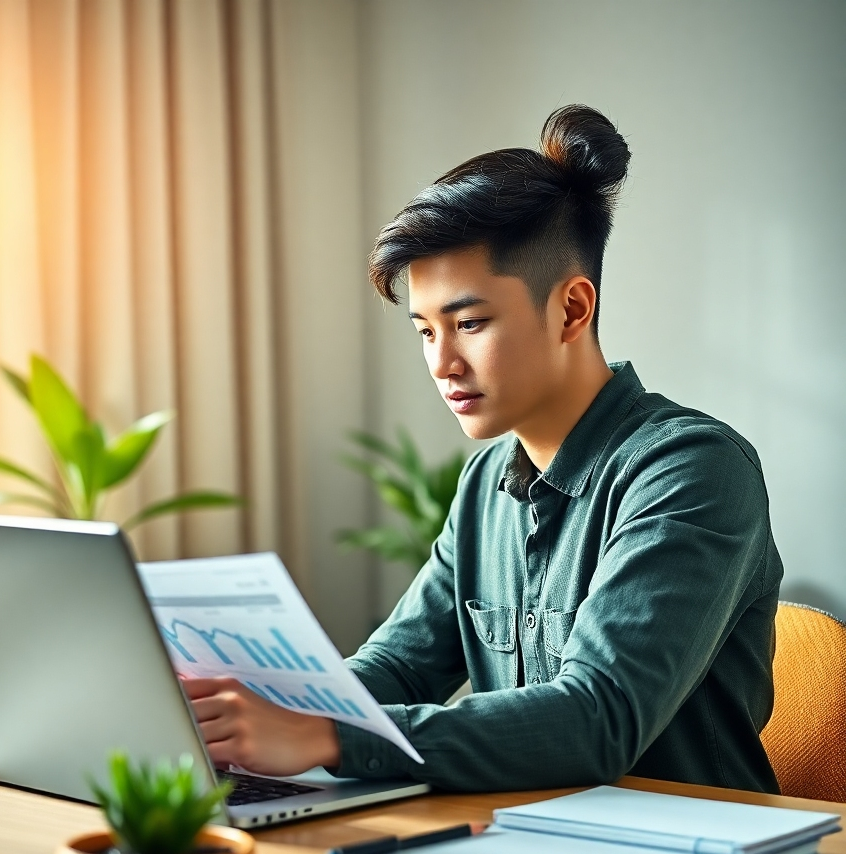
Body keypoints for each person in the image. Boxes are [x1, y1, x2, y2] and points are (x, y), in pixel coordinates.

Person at [182, 105, 783, 794]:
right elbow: (399, 669)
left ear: (571, 309)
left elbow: (598, 719)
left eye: (468, 323)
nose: (443, 363)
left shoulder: (691, 471)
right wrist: (252, 714)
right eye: (425, 331)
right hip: (528, 839)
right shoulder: (484, 487)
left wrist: (324, 735)